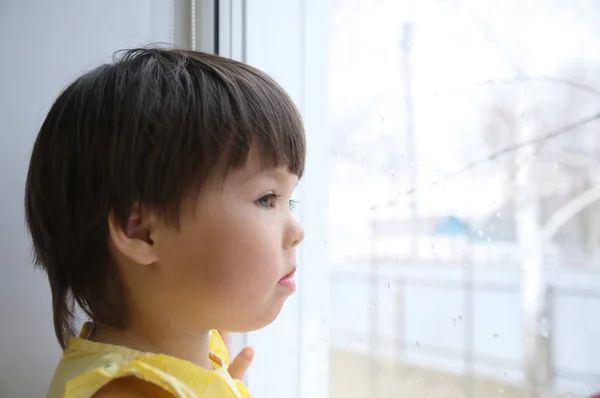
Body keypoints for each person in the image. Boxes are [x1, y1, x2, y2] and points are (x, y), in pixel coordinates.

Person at [24, 47, 305, 398]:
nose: (297, 232)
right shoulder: (125, 393)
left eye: (289, 200)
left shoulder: (189, 348)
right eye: (267, 199)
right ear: (140, 230)